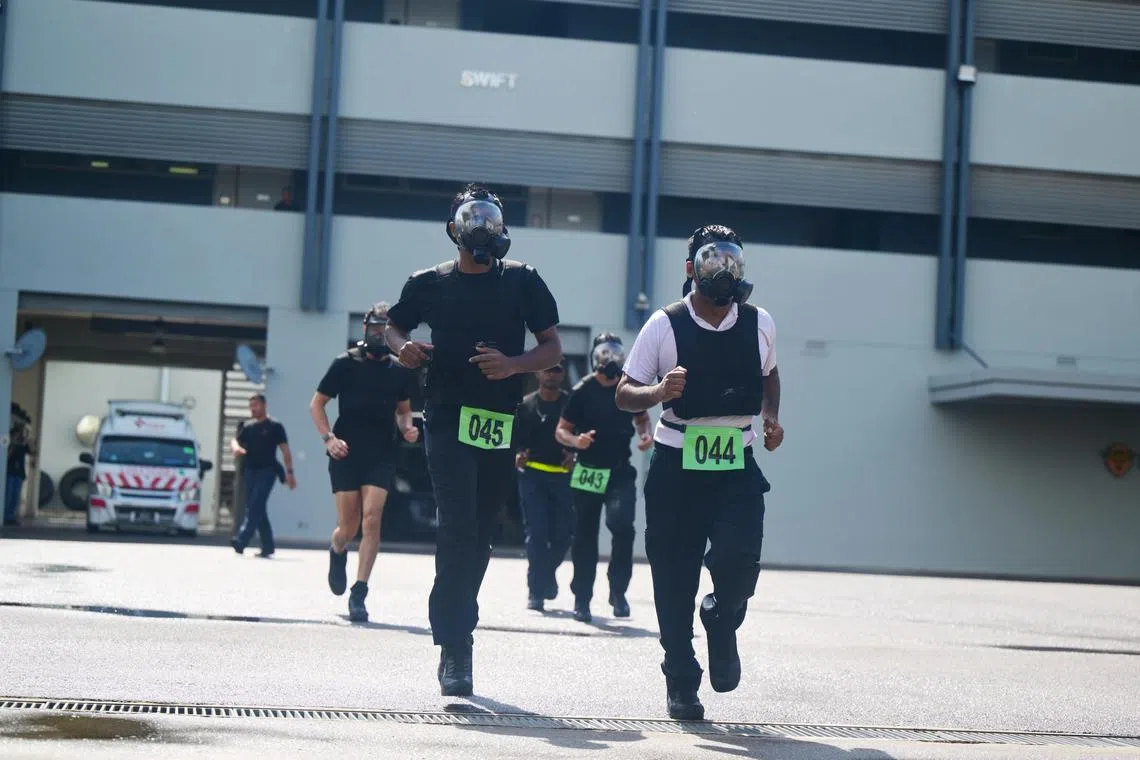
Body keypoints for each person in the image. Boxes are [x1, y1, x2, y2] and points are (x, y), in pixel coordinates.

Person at [384, 182, 562, 697]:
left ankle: (460, 619)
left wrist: (513, 365)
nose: (484, 231)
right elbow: (394, 327)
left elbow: (551, 348)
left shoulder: (524, 281)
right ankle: (455, 645)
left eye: (492, 223)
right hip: (445, 419)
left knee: (480, 535)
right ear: (455, 231)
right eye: (474, 223)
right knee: (457, 526)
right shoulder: (429, 283)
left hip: (498, 424)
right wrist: (404, 349)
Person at [615, 224, 784, 721]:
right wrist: (659, 392)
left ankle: (722, 617)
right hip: (676, 467)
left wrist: (771, 418)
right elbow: (625, 392)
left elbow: (770, 375)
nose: (724, 271)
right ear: (691, 269)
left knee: (740, 562)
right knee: (674, 578)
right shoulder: (664, 326)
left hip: (736, 464)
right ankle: (682, 681)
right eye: (712, 261)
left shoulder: (760, 323)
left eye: (732, 261)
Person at [310, 303, 420, 623]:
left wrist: (408, 429)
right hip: (346, 452)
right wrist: (329, 439)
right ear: (365, 329)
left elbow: (403, 411)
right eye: (375, 329)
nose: (379, 335)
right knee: (349, 527)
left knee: (371, 520)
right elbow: (317, 405)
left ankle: (359, 592)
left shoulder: (399, 371)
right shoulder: (345, 364)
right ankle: (337, 548)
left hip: (381, 453)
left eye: (385, 331)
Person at [556, 333, 652, 623]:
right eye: (605, 353)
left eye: (615, 353)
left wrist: (645, 434)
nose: (610, 358)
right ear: (595, 356)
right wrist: (576, 441)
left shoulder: (628, 388)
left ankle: (618, 592)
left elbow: (641, 417)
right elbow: (561, 430)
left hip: (619, 471)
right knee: (584, 535)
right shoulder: (581, 391)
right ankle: (581, 599)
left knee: (622, 527)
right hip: (587, 470)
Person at [513, 361, 575, 611]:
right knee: (536, 534)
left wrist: (574, 455)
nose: (552, 373)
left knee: (563, 535)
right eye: (548, 369)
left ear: (562, 375)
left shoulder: (571, 405)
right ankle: (535, 591)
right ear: (538, 372)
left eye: (558, 369)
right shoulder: (526, 405)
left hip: (563, 477)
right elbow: (513, 439)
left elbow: (583, 435)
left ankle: (547, 573)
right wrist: (517, 454)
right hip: (533, 477)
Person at [230, 394, 296, 558]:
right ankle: (268, 546)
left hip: (268, 471)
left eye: (256, 405)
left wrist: (289, 473)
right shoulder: (248, 426)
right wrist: (236, 448)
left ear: (264, 405)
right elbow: (235, 441)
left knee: (255, 504)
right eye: (251, 405)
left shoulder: (275, 426)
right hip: (250, 471)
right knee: (258, 508)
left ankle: (241, 540)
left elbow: (285, 450)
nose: (253, 408)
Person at [5, 414, 35, 527]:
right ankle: (6, 516)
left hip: (19, 472)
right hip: (10, 471)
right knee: (8, 495)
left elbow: (32, 452)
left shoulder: (24, 442)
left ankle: (11, 516)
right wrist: (14, 443)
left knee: (15, 497)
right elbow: (7, 454)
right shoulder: (11, 437)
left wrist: (27, 440)